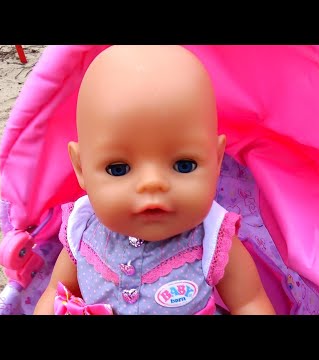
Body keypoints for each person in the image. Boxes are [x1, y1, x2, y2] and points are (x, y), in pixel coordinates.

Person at [34, 45, 275, 315]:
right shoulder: (82, 231)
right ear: (81, 168)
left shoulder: (213, 240)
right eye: (118, 168)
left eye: (184, 165)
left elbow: (249, 303)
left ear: (216, 160)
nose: (152, 183)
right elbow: (57, 290)